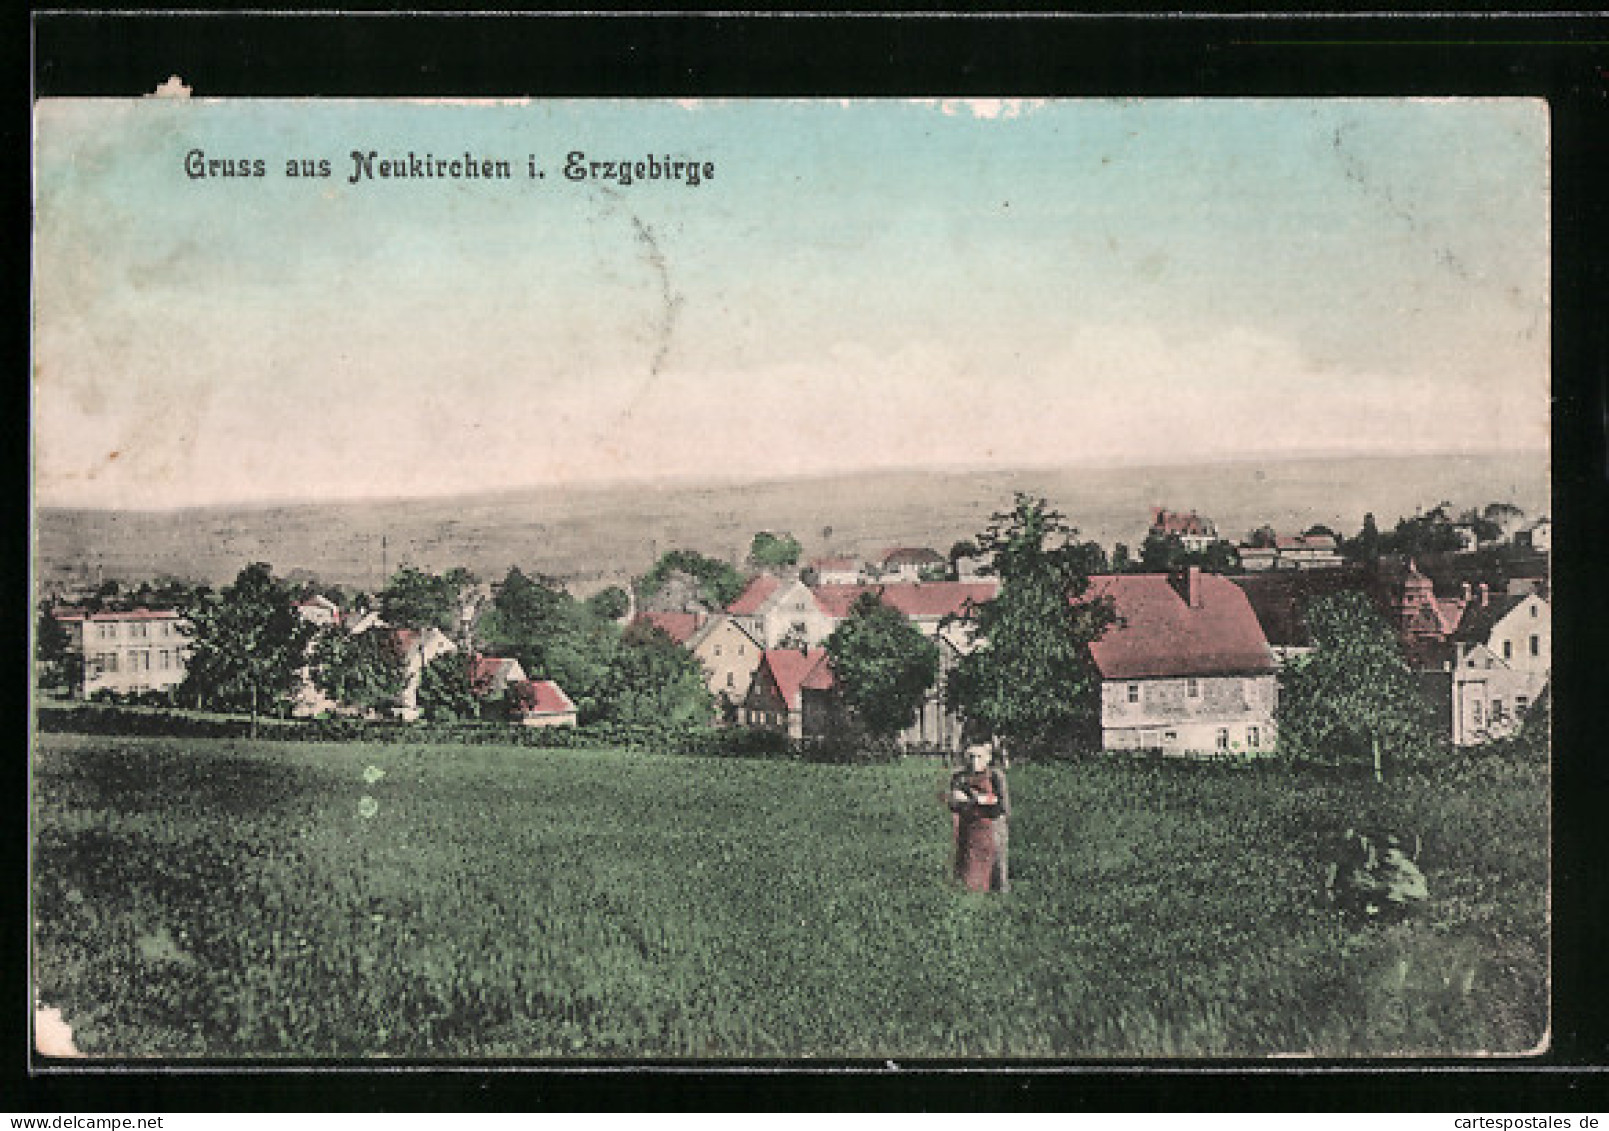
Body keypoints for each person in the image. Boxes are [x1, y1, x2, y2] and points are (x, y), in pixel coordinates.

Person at [947, 741, 1010, 892]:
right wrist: (956, 799)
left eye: (979, 757)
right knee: (967, 864)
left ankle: (999, 889)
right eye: (971, 757)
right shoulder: (959, 777)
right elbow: (952, 804)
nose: (975, 761)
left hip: (992, 823)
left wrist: (979, 800)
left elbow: (1002, 806)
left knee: (996, 860)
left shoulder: (996, 776)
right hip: (969, 825)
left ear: (988, 758)